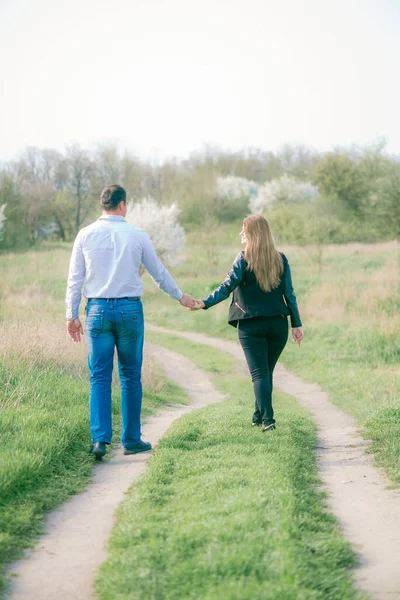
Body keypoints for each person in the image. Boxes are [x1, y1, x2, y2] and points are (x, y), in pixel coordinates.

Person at [65, 184, 194, 460]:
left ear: (103, 205)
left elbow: (75, 279)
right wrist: (180, 296)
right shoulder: (137, 236)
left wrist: (71, 315)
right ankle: (131, 440)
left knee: (99, 376)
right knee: (130, 376)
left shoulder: (84, 235)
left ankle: (100, 440)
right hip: (129, 312)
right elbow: (158, 273)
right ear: (122, 205)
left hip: (97, 311)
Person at [191, 214, 303, 432]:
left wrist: (204, 303)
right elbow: (290, 294)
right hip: (278, 325)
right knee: (265, 372)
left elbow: (226, 287)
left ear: (253, 234)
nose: (240, 234)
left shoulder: (243, 259)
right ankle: (258, 414)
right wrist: (296, 324)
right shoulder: (281, 259)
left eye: (243, 230)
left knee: (259, 374)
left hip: (251, 326)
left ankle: (268, 421)